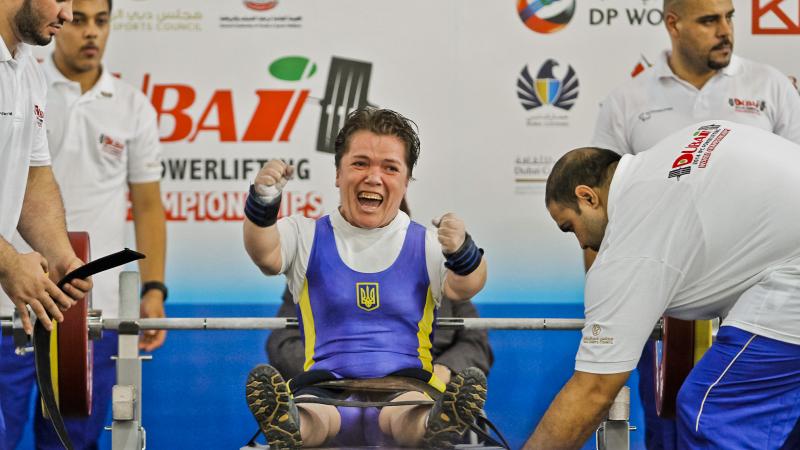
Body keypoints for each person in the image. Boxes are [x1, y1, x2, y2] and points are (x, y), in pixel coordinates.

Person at [588, 1, 800, 446]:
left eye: (729, 17)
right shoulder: (627, 100)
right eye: (709, 21)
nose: (725, 30)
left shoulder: (773, 86)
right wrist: (608, 307)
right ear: (673, 24)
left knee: (742, 420)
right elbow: (600, 214)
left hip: (765, 297)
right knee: (669, 419)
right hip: (665, 300)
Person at [526, 120, 800, 449]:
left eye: (570, 227)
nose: (583, 243)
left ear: (587, 197)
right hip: (785, 259)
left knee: (710, 412)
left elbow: (594, 389)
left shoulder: (632, 239)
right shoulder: (672, 148)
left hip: (791, 277)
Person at [243, 107, 489, 448]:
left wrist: (463, 251)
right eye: (360, 163)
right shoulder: (305, 235)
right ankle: (288, 425)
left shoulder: (431, 245)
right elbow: (265, 254)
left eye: (390, 168)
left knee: (410, 411)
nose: (374, 177)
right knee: (312, 413)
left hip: (404, 389)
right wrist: (262, 202)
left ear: (406, 182)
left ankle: (437, 423)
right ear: (337, 174)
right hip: (325, 388)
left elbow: (468, 284)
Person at [0, 0, 167, 448]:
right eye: (65, 4)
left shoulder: (24, 71)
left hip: (75, 305)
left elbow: (35, 177)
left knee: (72, 441)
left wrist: (65, 261)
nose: (72, 18)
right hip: (6, 303)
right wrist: (9, 261)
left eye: (95, 16)